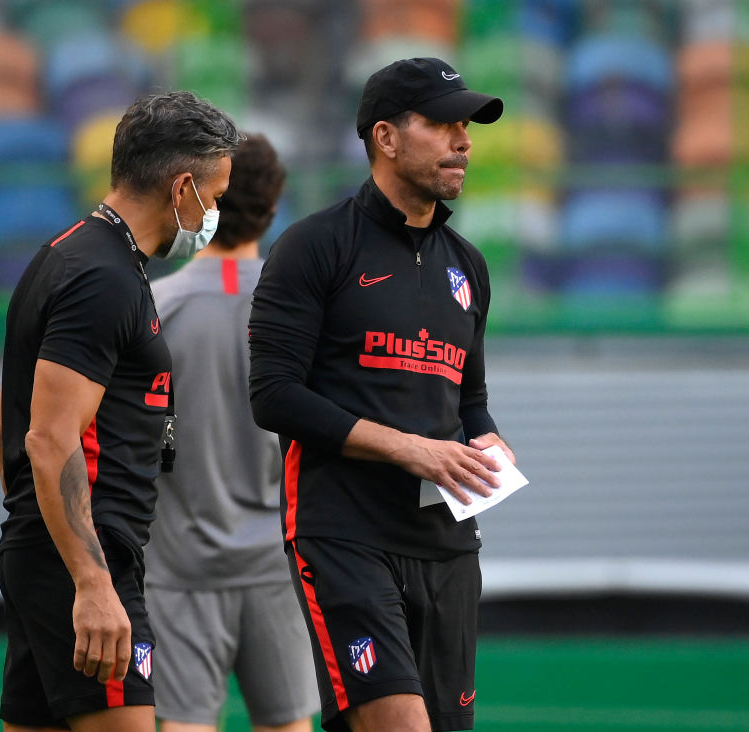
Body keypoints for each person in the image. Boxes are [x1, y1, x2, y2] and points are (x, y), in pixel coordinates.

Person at [247, 58, 516, 732]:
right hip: (343, 535)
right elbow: (274, 395)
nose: (464, 140)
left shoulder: (469, 266)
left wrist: (485, 439)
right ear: (386, 138)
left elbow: (470, 399)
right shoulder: (314, 247)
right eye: (443, 123)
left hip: (447, 544)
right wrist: (408, 450)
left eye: (467, 126)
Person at [0, 91, 241, 732]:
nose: (214, 214)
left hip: (49, 556)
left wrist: (40, 537)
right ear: (182, 186)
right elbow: (48, 439)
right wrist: (91, 580)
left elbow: (5, 433)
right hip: (87, 563)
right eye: (213, 197)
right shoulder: (103, 277)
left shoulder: (67, 254)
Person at [145, 134, 320, 732]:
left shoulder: (154, 306)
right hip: (280, 562)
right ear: (274, 204)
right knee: (289, 724)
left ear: (198, 198)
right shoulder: (304, 309)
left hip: (180, 563)